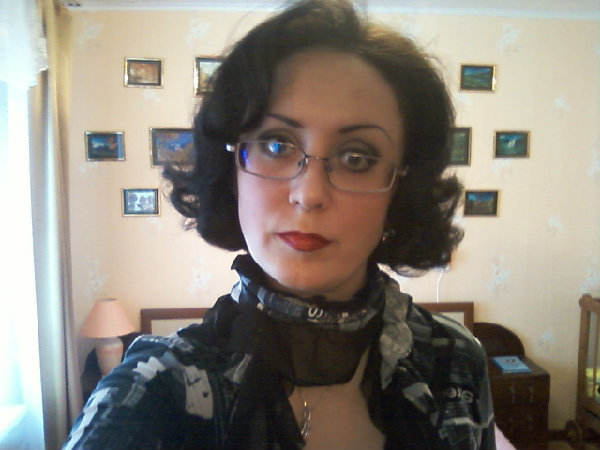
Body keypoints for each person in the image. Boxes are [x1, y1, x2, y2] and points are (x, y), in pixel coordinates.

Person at [63, 0, 495, 449]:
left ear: (400, 188)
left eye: (356, 157)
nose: (308, 194)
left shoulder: (455, 363)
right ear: (232, 169)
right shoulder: (153, 392)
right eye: (275, 144)